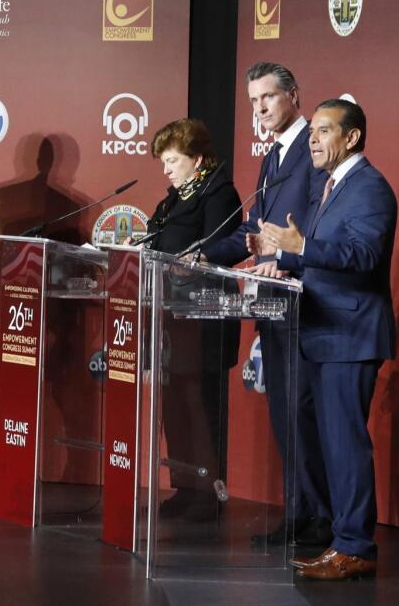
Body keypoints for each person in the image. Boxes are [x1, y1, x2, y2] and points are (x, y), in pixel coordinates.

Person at [252, 99, 396, 580]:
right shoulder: (331, 187)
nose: (311, 139)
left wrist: (302, 248)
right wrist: (281, 258)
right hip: (321, 331)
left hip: (350, 335)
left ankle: (355, 546)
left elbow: (361, 255)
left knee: (345, 445)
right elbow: (318, 254)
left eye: (323, 131)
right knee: (330, 444)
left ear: (351, 137)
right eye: (310, 131)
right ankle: (340, 537)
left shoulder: (370, 188)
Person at [202, 62, 332, 548]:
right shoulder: (273, 156)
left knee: (301, 413)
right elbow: (251, 231)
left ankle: (319, 517)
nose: (259, 109)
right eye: (253, 101)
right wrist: (200, 254)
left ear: (293, 95)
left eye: (268, 98)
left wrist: (288, 259)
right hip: (273, 304)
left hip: (303, 298)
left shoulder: (312, 149)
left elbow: (317, 224)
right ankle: (299, 513)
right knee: (284, 413)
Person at [143, 118, 241, 520]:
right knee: (177, 406)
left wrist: (194, 264)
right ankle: (185, 486)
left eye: (171, 161)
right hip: (171, 315)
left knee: (200, 405)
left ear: (196, 159)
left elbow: (221, 250)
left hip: (204, 316)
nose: (165, 170)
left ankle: (207, 491)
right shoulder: (172, 200)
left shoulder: (219, 194)